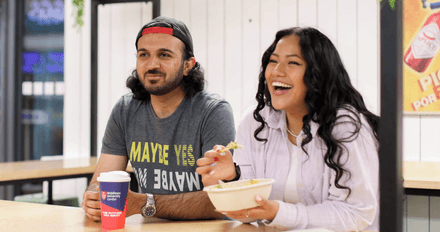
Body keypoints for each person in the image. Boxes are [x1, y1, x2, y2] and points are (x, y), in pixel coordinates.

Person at [196, 27, 379, 231]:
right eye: (273, 61)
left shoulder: (346, 126)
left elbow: (356, 214)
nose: (277, 71)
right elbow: (248, 215)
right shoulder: (255, 122)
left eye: (293, 63)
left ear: (318, 74)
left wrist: (277, 212)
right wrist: (232, 178)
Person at [82, 16, 235, 221]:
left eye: (164, 55)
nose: (152, 64)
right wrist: (93, 198)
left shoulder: (213, 111)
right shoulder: (125, 109)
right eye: (143, 54)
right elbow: (101, 181)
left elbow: (220, 202)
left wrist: (144, 203)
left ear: (188, 65)